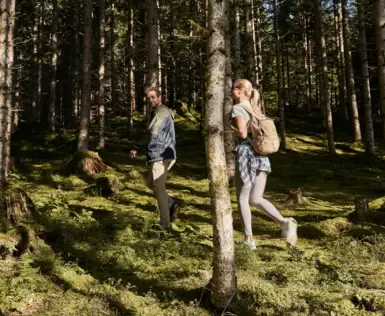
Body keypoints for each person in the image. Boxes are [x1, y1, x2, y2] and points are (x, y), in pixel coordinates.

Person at [228, 79, 297, 249]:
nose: (231, 90)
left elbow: (243, 134)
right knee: (256, 198)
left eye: (233, 88)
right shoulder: (255, 108)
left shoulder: (238, 108)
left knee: (243, 198)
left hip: (246, 155)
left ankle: (248, 239)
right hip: (261, 156)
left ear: (239, 91)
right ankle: (285, 222)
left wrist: (226, 127)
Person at [129, 87, 178, 229]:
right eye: (148, 98)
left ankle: (165, 224)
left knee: (158, 186)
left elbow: (153, 131)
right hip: (162, 154)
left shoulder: (161, 112)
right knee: (151, 183)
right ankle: (171, 204)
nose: (151, 100)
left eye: (153, 97)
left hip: (162, 155)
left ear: (159, 97)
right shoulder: (160, 112)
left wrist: (136, 147)